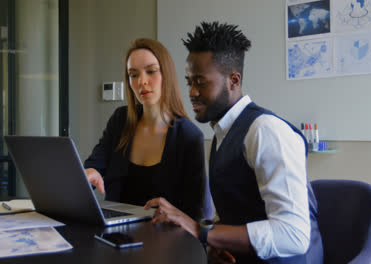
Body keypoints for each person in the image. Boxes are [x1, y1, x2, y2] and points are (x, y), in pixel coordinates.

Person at [145, 22, 324, 263]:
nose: (192, 92)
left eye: (201, 82)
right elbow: (239, 213)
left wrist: (201, 231)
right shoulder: (222, 133)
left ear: (234, 80)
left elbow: (293, 235)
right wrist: (216, 243)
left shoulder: (266, 131)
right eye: (189, 82)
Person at [84, 38, 210, 220]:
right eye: (133, 75)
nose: (142, 81)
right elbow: (93, 167)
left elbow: (200, 216)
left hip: (165, 240)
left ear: (166, 75)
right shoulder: (120, 120)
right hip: (116, 235)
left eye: (151, 71)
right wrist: (89, 173)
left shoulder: (189, 136)